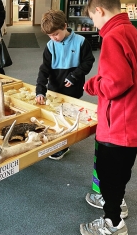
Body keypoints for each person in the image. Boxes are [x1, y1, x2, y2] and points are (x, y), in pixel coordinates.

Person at [80, 0, 137, 235]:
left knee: (108, 172)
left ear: (99, 11)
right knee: (121, 169)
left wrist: (92, 84)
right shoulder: (131, 31)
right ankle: (117, 204)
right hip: (133, 117)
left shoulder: (113, 36)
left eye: (92, 17)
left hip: (118, 122)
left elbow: (116, 83)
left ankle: (113, 222)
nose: (93, 23)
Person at [35, 9, 95, 160]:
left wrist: (74, 76)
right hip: (55, 87)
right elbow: (44, 69)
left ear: (64, 26)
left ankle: (63, 145)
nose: (53, 38)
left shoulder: (81, 42)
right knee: (56, 114)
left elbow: (88, 62)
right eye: (50, 35)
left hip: (73, 87)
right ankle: (58, 141)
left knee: (68, 115)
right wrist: (40, 90)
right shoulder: (50, 45)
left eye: (56, 34)